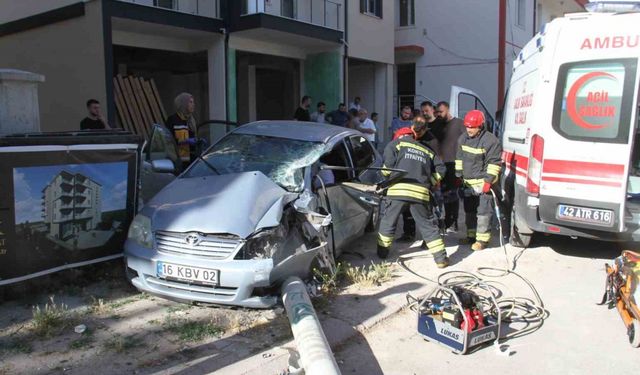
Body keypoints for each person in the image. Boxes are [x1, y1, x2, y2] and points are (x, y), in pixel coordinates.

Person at [377, 116, 449, 268]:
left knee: (388, 222)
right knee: (428, 226)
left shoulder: (395, 144)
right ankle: (441, 259)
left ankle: (382, 253)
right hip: (420, 193)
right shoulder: (427, 150)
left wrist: (386, 180)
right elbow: (442, 169)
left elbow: (387, 169)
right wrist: (431, 181)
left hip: (397, 191)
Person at [455, 110, 503, 251]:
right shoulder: (463, 139)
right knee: (469, 211)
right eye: (467, 127)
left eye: (472, 127)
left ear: (480, 126)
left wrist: (488, 181)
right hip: (468, 183)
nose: (469, 130)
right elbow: (459, 158)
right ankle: (471, 235)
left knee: (483, 212)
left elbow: (494, 163)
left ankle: (482, 241)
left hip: (483, 183)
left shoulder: (491, 141)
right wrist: (458, 176)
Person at [434, 101, 466, 232]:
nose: (439, 114)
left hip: (453, 164)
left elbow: (466, 140)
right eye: (437, 112)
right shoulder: (438, 125)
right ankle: (445, 221)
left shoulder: (459, 123)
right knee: (442, 194)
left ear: (447, 109)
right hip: (440, 164)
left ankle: (453, 221)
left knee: (453, 195)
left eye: (441, 111)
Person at [166, 92, 200, 165]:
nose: (193, 104)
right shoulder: (173, 119)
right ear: (183, 104)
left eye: (193, 102)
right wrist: (184, 141)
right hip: (178, 161)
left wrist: (198, 142)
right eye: (190, 102)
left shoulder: (191, 120)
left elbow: (194, 136)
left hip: (192, 160)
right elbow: (168, 140)